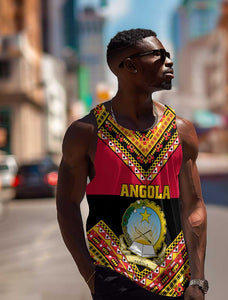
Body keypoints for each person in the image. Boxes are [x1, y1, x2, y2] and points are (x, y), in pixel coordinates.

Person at [56, 28, 207, 300]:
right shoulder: (87, 132)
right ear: (129, 66)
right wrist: (91, 276)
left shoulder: (181, 131)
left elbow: (193, 205)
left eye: (169, 55)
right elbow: (67, 204)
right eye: (159, 55)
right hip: (114, 278)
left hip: (175, 282)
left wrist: (197, 279)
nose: (169, 61)